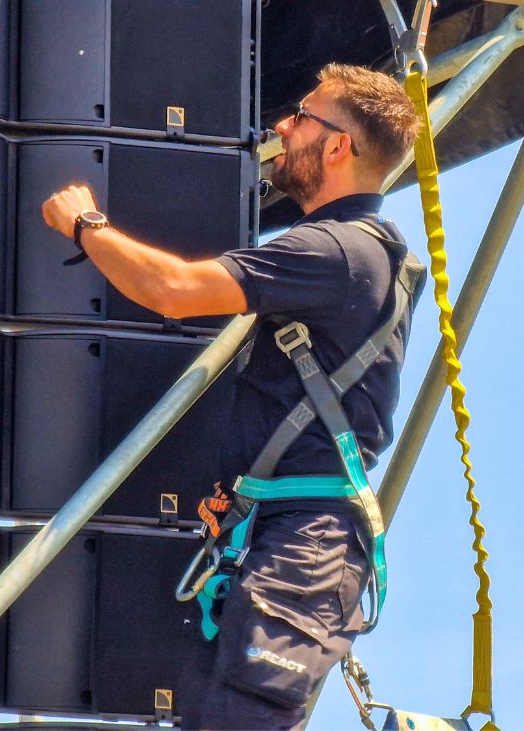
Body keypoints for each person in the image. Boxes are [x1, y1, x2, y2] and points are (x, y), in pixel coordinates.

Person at [41, 64, 423, 730]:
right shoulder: (363, 253)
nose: (282, 127)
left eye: (303, 116)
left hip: (305, 544)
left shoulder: (334, 251)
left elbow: (175, 289)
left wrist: (85, 224)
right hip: (292, 540)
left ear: (337, 147)